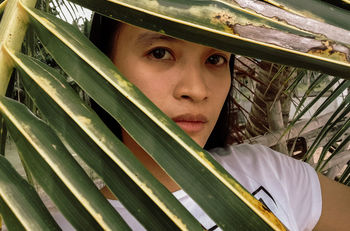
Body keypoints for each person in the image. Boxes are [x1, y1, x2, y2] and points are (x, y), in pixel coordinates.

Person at [57, 14, 350, 231]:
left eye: (215, 60)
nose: (197, 90)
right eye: (160, 52)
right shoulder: (53, 222)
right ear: (101, 64)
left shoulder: (268, 172)